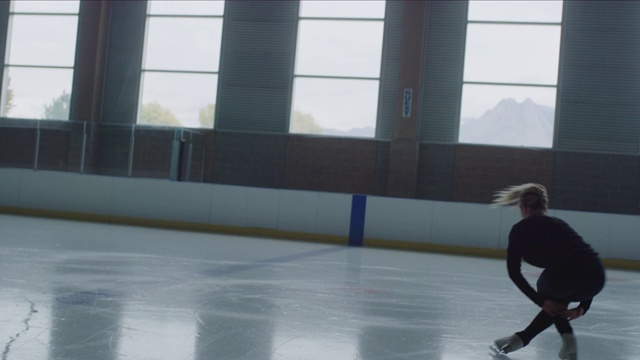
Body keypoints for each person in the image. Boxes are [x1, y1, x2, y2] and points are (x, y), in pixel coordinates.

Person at [490, 183, 605, 360]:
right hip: (597, 277)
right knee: (559, 289)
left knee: (547, 285)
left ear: (523, 207)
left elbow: (514, 272)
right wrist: (584, 306)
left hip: (568, 279)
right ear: (545, 206)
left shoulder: (520, 229)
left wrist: (541, 301)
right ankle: (522, 338)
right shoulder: (558, 224)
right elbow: (583, 261)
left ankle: (566, 338)